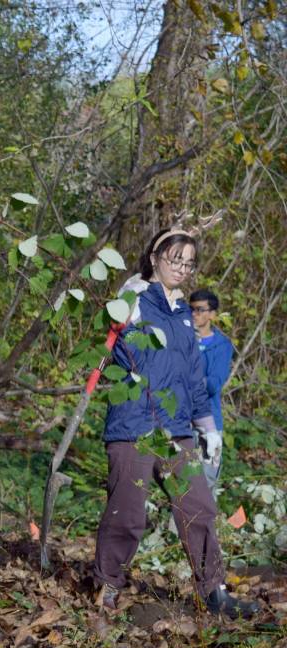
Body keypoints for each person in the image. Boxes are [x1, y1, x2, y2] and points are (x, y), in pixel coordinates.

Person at [93, 229, 257, 618]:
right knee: (127, 515)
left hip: (176, 431)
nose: (181, 268)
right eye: (174, 259)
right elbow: (110, 348)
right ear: (154, 257)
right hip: (133, 427)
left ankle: (214, 591)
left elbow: (194, 377)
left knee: (199, 506)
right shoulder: (131, 300)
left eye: (188, 262)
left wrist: (208, 429)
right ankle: (107, 587)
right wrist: (127, 297)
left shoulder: (185, 314)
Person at [188, 289, 234, 493]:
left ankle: (205, 526)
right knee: (179, 485)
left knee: (205, 487)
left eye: (199, 310)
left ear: (212, 314)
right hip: (179, 420)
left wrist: (185, 380)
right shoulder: (181, 340)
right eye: (190, 309)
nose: (193, 314)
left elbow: (214, 384)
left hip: (209, 424)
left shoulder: (222, 346)